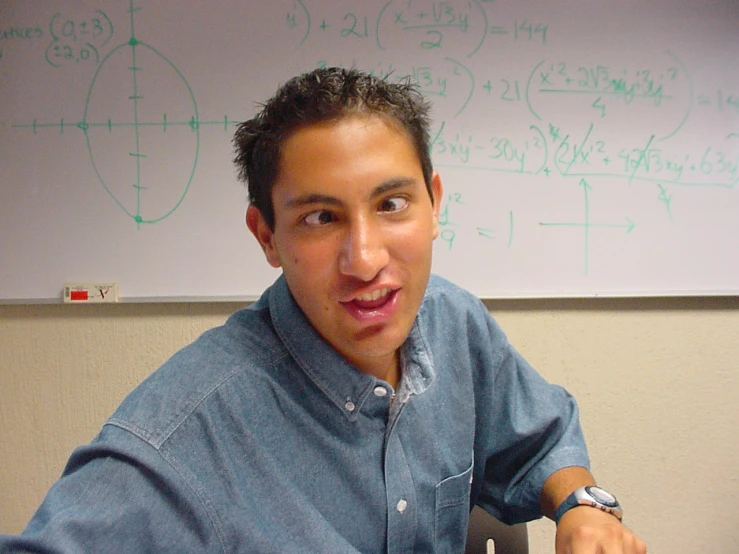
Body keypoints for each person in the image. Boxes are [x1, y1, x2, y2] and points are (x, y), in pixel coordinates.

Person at [0, 67, 646, 553]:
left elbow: (537, 438)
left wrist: (581, 505)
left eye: (391, 204)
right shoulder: (189, 431)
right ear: (266, 237)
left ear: (433, 201)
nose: (364, 259)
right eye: (319, 217)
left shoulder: (451, 321)